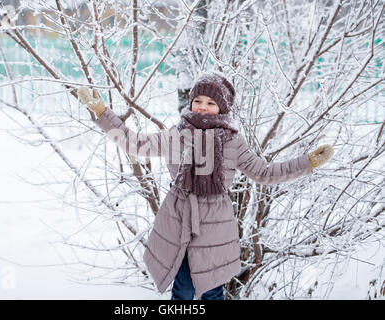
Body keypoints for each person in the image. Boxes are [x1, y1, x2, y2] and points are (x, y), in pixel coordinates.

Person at [78, 72, 334, 300]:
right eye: (198, 100)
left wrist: (307, 163)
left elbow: (264, 172)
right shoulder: (177, 135)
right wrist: (102, 114)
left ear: (222, 108)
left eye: (211, 103)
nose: (202, 107)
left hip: (215, 226)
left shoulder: (233, 142)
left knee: (212, 289)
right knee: (184, 289)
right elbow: (134, 143)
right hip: (179, 220)